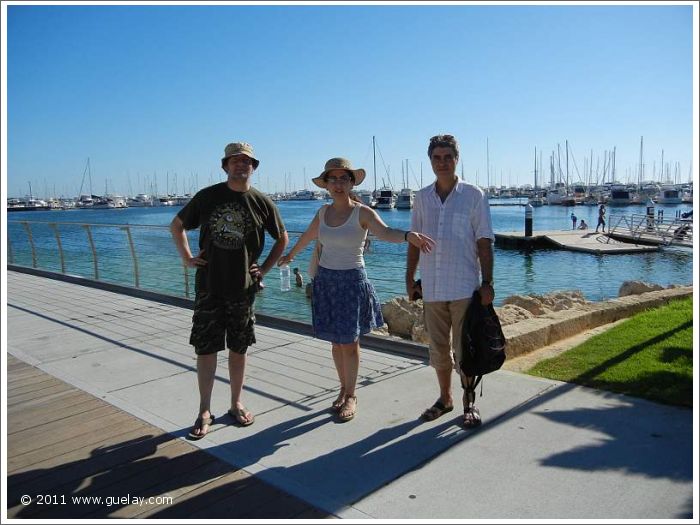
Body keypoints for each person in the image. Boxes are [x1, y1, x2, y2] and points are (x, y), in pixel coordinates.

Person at [278, 157, 435, 422]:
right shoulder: (322, 213)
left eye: (344, 179)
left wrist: (409, 236)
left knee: (350, 343)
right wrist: (290, 255)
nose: (338, 184)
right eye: (333, 179)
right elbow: (308, 236)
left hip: (351, 281)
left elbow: (386, 233)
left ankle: (351, 395)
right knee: (336, 342)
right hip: (326, 281)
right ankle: (343, 388)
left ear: (351, 183)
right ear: (326, 184)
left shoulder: (362, 213)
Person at [170, 142, 288, 439]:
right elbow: (177, 225)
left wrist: (265, 268)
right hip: (209, 286)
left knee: (239, 348)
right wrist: (186, 258)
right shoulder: (208, 196)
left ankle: (236, 403)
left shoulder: (262, 202)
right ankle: (204, 409)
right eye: (234, 161)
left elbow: (282, 238)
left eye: (246, 161)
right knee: (206, 348)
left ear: (253, 167)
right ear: (225, 166)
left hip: (242, 289)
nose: (240, 165)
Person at [406, 134, 495, 429]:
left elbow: (484, 240)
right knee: (438, 349)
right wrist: (410, 278)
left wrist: (487, 283)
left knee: (465, 349)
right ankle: (445, 399)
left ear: (457, 159)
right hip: (432, 287)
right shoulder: (421, 198)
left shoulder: (474, 195)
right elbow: (414, 241)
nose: (442, 163)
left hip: (463, 287)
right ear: (430, 160)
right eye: (436, 158)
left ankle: (469, 402)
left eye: (447, 157)